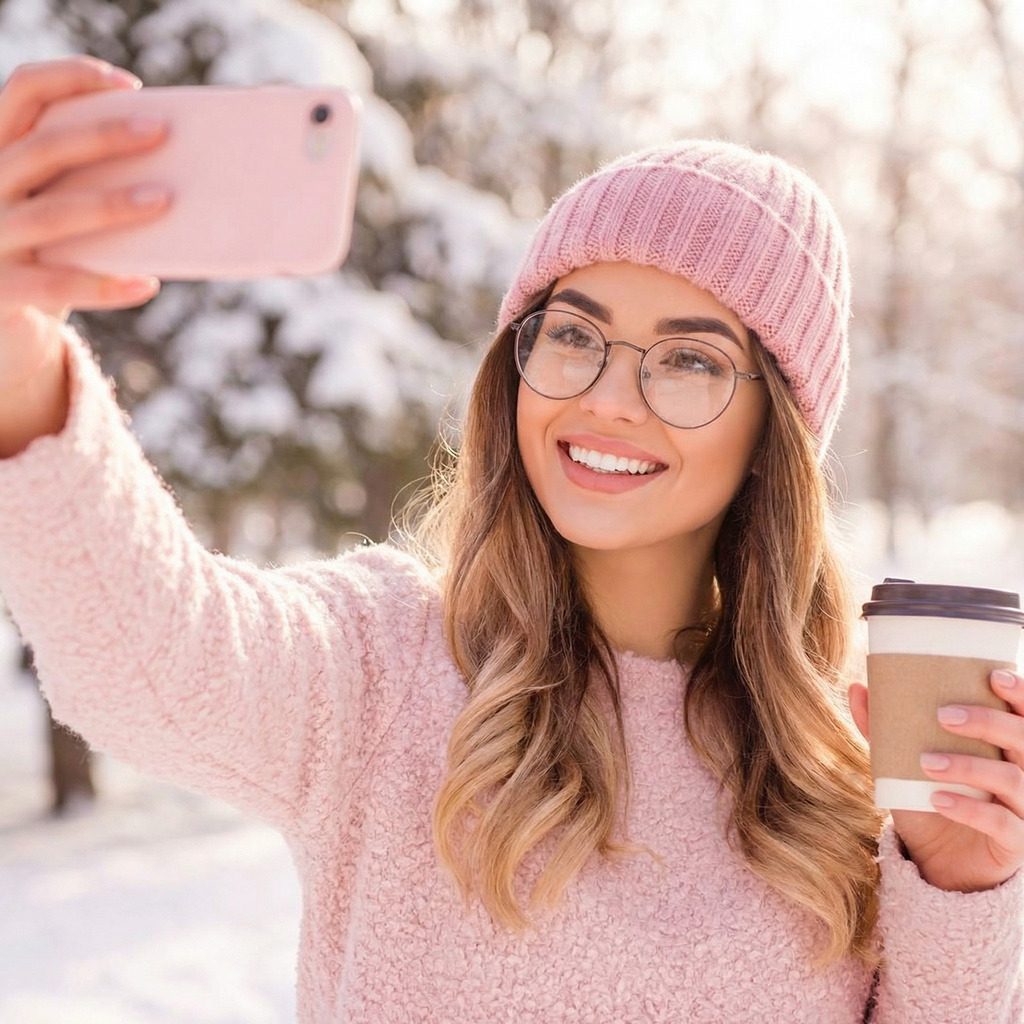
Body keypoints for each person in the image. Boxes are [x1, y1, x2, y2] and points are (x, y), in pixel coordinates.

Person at [0, 56, 1021, 1024]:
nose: (609, 398)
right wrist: (20, 356)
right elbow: (149, 661)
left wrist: (959, 877)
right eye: (573, 334)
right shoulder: (383, 665)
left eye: (689, 361)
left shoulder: (842, 766)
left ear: (774, 436)